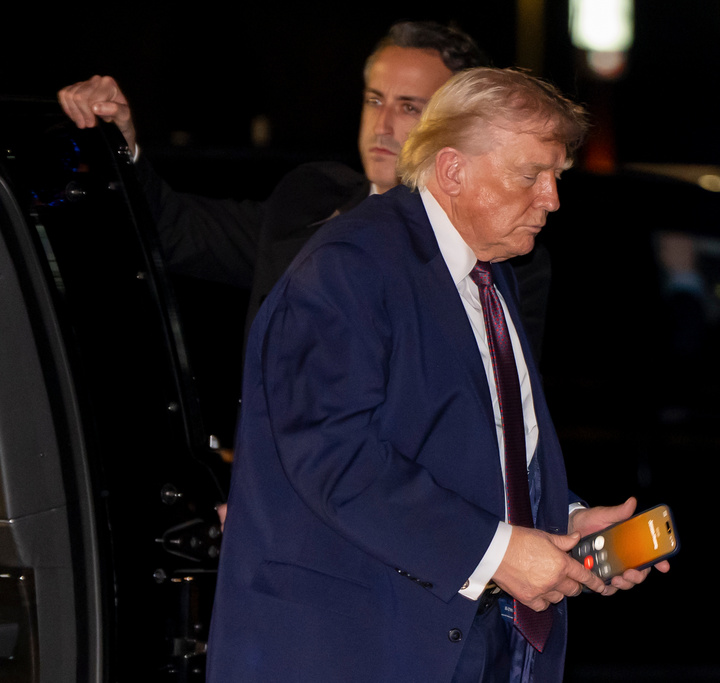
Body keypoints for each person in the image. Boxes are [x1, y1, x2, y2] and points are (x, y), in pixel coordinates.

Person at [205, 67, 669, 683]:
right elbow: (333, 455)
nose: (552, 199)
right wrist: (498, 552)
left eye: (556, 176)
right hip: (354, 646)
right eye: (531, 175)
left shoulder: (488, 270)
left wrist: (561, 520)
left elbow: (460, 444)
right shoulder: (351, 265)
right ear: (452, 171)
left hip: (456, 637)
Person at [56, 21, 552, 358]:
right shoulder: (310, 202)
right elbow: (174, 230)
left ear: (459, 130)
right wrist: (119, 143)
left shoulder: (502, 251)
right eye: (374, 100)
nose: (382, 125)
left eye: (409, 107)